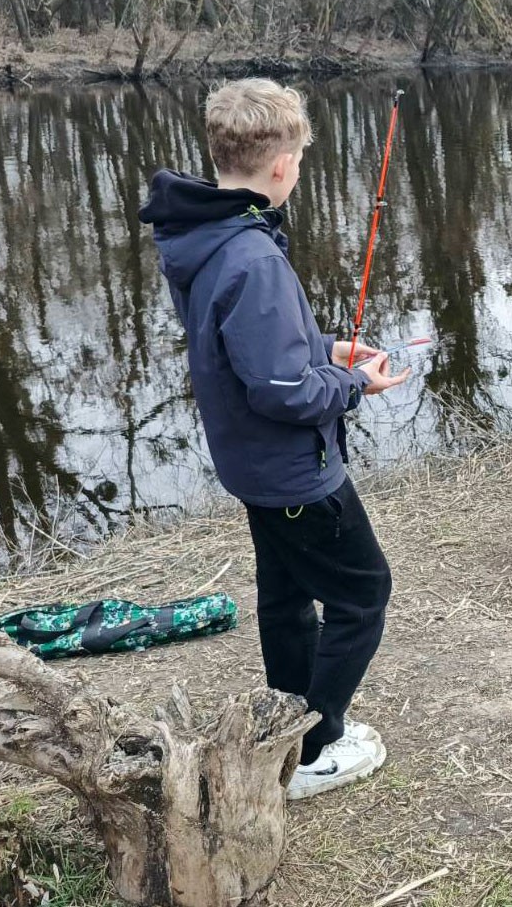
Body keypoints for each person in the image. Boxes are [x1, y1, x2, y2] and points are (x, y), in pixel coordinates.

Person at [139, 79, 411, 801]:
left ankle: (286, 716)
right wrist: (356, 386)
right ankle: (318, 749)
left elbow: (255, 349)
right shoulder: (253, 258)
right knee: (363, 594)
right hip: (294, 472)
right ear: (283, 167)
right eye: (297, 158)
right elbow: (282, 390)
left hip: (253, 465)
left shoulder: (202, 234)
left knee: (287, 598)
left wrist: (326, 349)